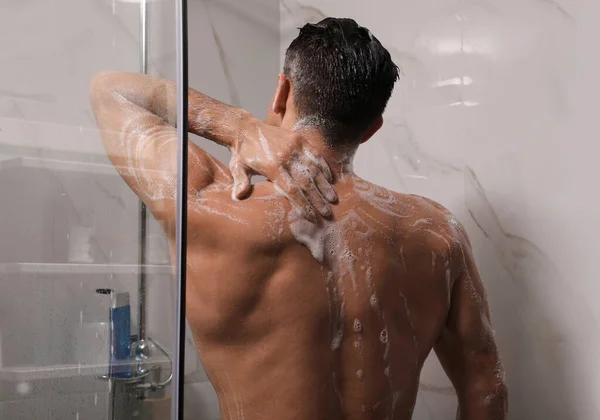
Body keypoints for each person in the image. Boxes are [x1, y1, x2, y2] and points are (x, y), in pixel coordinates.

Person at [90, 17, 507, 420]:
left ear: (281, 93)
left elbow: (109, 91)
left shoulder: (209, 203)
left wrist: (238, 126)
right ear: (372, 128)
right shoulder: (436, 233)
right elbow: (485, 388)